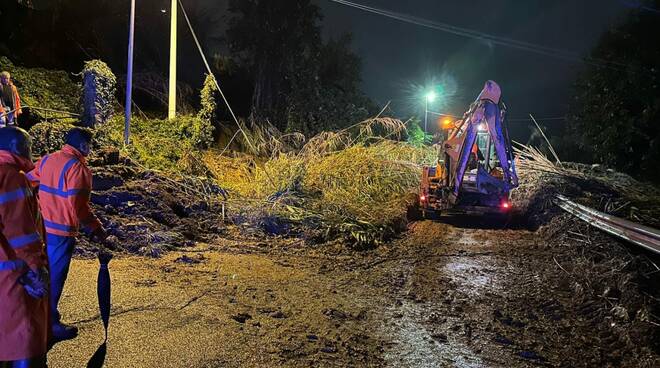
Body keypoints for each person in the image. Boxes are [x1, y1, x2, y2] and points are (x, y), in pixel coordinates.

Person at [27, 127, 107, 342]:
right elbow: (79, 207)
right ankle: (51, 325)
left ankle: (37, 319)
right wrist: (97, 230)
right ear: (82, 145)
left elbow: (28, 181)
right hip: (61, 232)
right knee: (55, 278)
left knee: (41, 275)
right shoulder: (78, 169)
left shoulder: (47, 160)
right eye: (89, 144)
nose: (90, 148)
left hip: (41, 228)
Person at [0, 127, 49, 367]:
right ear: (17, 147)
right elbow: (20, 233)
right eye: (29, 145)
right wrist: (37, 270)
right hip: (13, 275)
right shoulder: (12, 178)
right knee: (22, 337)